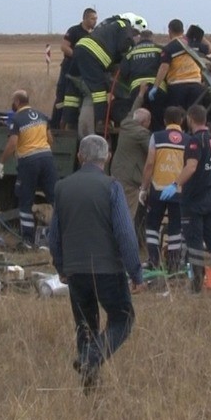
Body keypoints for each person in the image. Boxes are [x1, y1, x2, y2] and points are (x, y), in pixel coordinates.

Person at [46, 134, 144, 394]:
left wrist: (61, 267)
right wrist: (135, 271)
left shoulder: (62, 187)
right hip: (108, 270)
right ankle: (91, 359)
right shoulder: (112, 186)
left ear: (79, 156)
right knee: (123, 319)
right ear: (108, 157)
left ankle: (89, 387)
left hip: (76, 271)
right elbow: (125, 233)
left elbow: (53, 236)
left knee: (85, 326)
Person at [175, 104, 211, 294]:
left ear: (190, 119)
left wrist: (175, 185)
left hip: (194, 201)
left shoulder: (194, 142)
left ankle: (196, 286)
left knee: (195, 243)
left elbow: (191, 167)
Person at [0, 90, 59, 248]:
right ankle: (60, 235)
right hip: (47, 159)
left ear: (17, 102)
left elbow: (12, 144)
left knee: (25, 202)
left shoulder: (17, 119)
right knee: (55, 199)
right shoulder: (42, 116)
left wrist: (2, 162)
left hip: (29, 162)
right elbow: (50, 139)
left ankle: (28, 241)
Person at [70, 13, 146, 136]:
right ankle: (101, 122)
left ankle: (67, 120)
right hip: (93, 55)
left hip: (80, 48)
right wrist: (129, 53)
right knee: (99, 91)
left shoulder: (108, 24)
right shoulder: (124, 24)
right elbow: (123, 45)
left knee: (76, 87)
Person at [138, 106, 188, 273]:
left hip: (158, 189)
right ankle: (173, 264)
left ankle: (153, 260)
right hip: (178, 190)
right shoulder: (188, 140)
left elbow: (150, 164)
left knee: (152, 225)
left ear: (165, 121)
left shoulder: (157, 137)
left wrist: (143, 188)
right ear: (181, 121)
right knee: (175, 227)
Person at [52, 8, 97, 130]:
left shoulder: (94, 34)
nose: (95, 21)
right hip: (69, 69)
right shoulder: (74, 31)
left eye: (96, 19)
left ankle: (73, 124)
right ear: (85, 18)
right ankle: (56, 126)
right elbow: (64, 47)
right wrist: (77, 56)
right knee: (61, 97)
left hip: (83, 72)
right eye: (93, 19)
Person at [152, 19, 205, 114]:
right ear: (183, 30)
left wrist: (155, 86)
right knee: (195, 115)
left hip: (177, 86)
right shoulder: (194, 44)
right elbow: (209, 50)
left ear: (169, 31)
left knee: (176, 115)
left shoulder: (169, 48)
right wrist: (200, 35)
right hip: (196, 85)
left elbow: (164, 67)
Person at [117, 30, 162, 126]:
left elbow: (123, 73)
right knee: (157, 119)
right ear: (152, 38)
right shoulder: (159, 49)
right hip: (157, 88)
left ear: (140, 38)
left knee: (137, 119)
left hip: (136, 89)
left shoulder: (130, 52)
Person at [110, 107, 151, 202]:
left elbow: (132, 110)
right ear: (144, 122)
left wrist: (140, 95)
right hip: (130, 179)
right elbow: (152, 151)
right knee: (128, 210)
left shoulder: (125, 124)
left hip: (116, 171)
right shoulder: (142, 133)